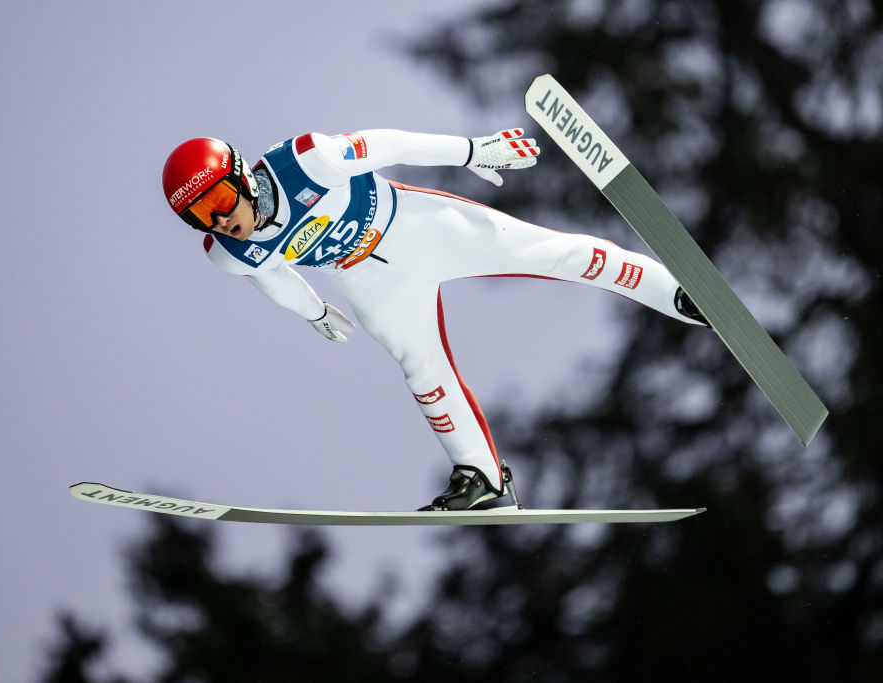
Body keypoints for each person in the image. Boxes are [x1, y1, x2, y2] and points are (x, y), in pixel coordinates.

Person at [161, 128, 708, 511]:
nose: (220, 219)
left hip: (420, 228)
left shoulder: (306, 160)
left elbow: (392, 144)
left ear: (241, 176)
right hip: (367, 280)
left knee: (549, 254)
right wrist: (314, 311)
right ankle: (483, 480)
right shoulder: (227, 253)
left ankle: (676, 293)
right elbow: (271, 276)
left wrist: (472, 150)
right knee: (420, 370)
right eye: (199, 217)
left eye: (220, 199)